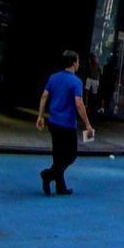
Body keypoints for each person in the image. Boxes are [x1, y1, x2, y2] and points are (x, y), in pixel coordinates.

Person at [36, 50, 93, 196]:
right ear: (74, 63)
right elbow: (79, 104)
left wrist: (40, 116)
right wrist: (87, 124)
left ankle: (60, 186)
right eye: (78, 61)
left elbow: (44, 96)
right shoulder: (76, 81)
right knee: (70, 155)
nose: (79, 64)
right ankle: (48, 174)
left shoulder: (53, 78)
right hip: (67, 124)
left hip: (53, 121)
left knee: (58, 154)